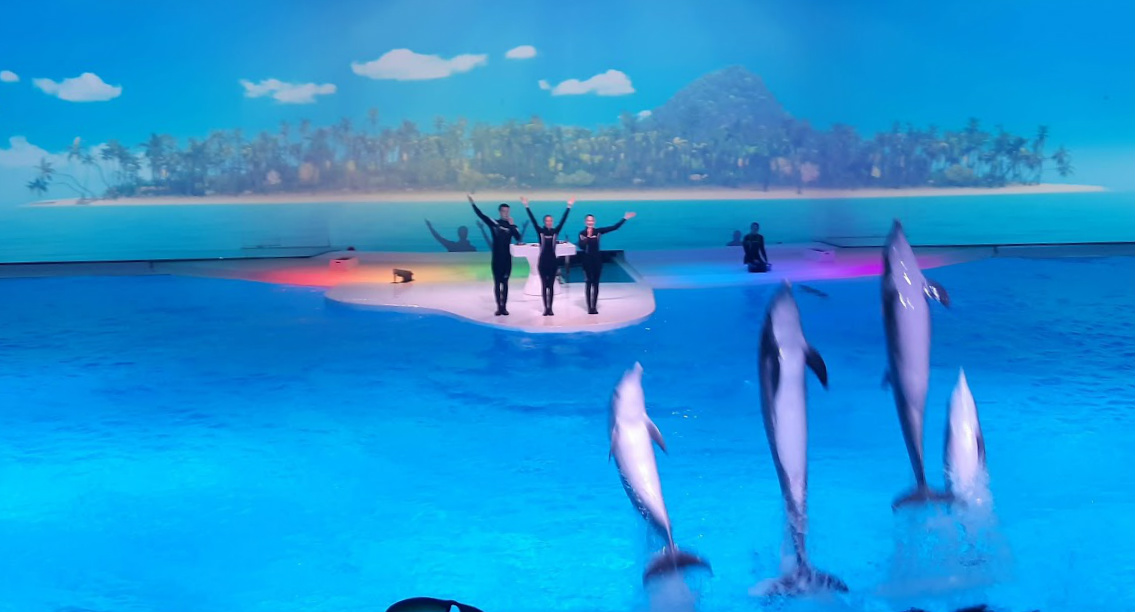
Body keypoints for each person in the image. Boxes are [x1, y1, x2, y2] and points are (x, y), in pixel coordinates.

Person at [469, 195, 522, 316]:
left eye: (507, 211)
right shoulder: (494, 223)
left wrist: (512, 225)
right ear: (500, 212)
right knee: (497, 283)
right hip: (497, 259)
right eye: (504, 211)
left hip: (507, 259)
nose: (506, 213)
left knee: (505, 283)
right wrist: (473, 204)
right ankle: (499, 307)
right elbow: (481, 215)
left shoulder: (512, 226)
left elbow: (518, 238)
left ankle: (505, 307)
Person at [577, 211, 636, 314]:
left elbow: (614, 227)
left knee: (596, 283)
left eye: (591, 220)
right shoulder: (582, 233)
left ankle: (594, 307)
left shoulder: (598, 232)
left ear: (594, 221)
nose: (590, 222)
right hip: (587, 260)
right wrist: (588, 237)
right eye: (588, 220)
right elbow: (581, 246)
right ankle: (589, 307)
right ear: (585, 222)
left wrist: (625, 218)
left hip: (597, 260)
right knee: (589, 282)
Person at [523, 196, 573, 316]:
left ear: (552, 222)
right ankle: (546, 308)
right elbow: (533, 220)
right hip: (542, 263)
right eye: (547, 221)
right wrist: (527, 206)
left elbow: (563, 221)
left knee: (550, 286)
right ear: (544, 222)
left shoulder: (555, 232)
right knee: (544, 286)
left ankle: (550, 308)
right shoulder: (540, 231)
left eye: (551, 221)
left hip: (553, 263)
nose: (549, 222)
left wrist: (569, 206)